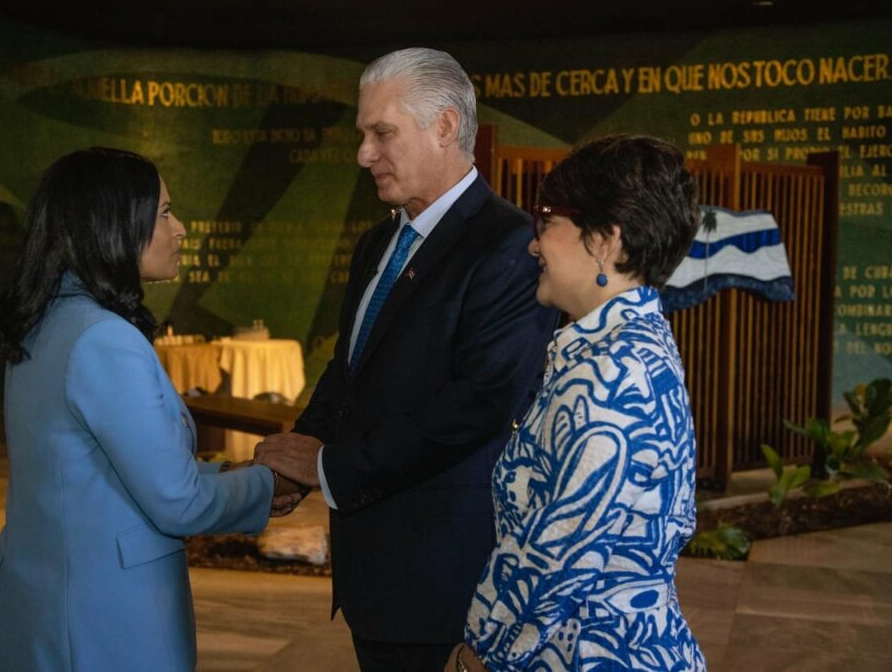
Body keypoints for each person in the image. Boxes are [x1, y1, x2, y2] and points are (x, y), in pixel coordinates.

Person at [254, 48, 559, 671]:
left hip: (445, 579)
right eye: (362, 134)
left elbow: (478, 406)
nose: (364, 153)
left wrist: (329, 466)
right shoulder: (377, 242)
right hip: (374, 576)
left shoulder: (507, 245)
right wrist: (300, 454)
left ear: (445, 126)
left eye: (382, 133)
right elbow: (350, 369)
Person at [0, 147, 302, 671]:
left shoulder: (47, 322)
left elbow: (102, 474)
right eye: (164, 213)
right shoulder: (103, 339)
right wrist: (268, 484)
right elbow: (178, 504)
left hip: (53, 604)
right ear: (111, 224)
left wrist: (229, 472)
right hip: (104, 621)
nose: (180, 229)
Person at [446, 134, 707, 671]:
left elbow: (559, 555)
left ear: (606, 240)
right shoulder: (623, 347)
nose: (533, 244)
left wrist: (480, 655)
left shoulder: (613, 373)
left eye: (546, 220)